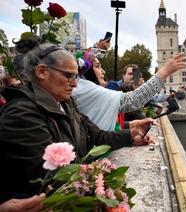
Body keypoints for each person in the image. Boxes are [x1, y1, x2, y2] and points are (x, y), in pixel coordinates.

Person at [0, 43, 155, 203]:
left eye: (76, 76)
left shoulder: (66, 104)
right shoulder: (22, 114)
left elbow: (97, 137)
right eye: (69, 76)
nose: (75, 83)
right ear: (42, 72)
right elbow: (48, 179)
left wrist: (131, 135)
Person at [72, 53, 186, 131]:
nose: (103, 71)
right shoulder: (111, 87)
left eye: (136, 75)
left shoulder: (86, 88)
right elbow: (132, 100)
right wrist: (165, 71)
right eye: (98, 66)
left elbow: (151, 98)